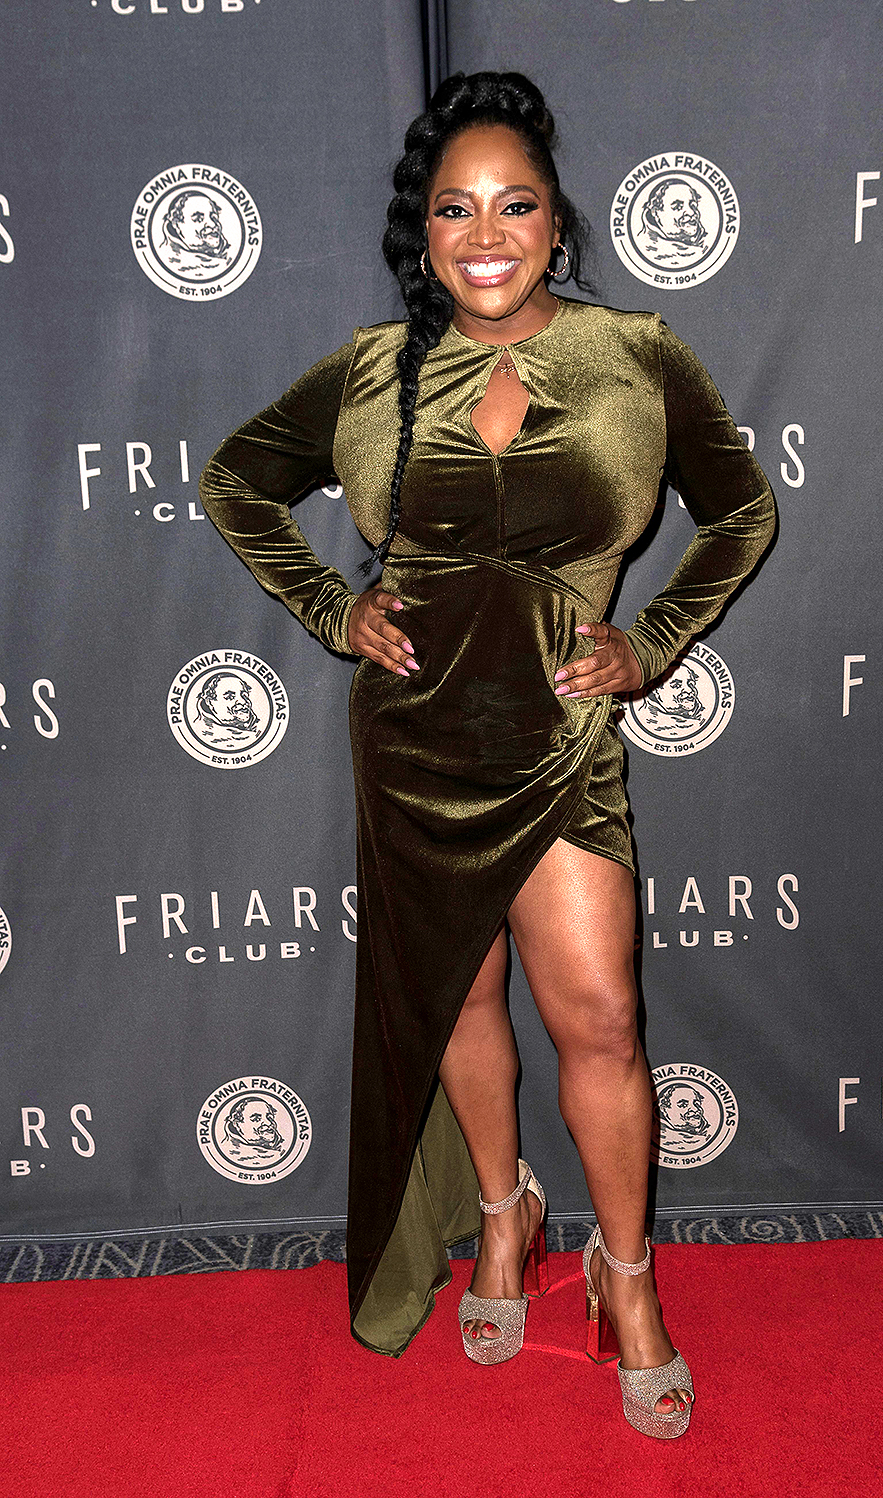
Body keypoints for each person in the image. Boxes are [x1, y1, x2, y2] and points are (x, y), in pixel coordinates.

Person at [199, 71, 775, 1439]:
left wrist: (655, 640)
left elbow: (740, 508)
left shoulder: (639, 353)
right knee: (462, 1006)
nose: (486, 232)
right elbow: (235, 478)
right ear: (424, 232)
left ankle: (626, 1281)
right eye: (454, 208)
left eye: (515, 203)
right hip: (414, 740)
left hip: (564, 739)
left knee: (601, 1017)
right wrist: (336, 606)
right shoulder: (371, 369)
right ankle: (505, 1215)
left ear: (558, 221)